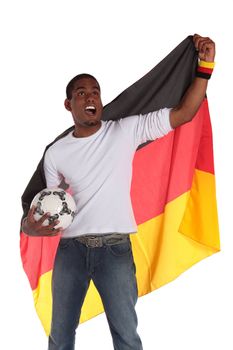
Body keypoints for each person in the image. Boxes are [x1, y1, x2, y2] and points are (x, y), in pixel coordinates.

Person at [22, 34, 215, 350]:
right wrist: (31, 226)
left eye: (95, 92)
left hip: (115, 251)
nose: (90, 97)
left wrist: (205, 66)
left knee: (126, 337)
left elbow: (184, 113)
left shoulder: (126, 130)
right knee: (60, 338)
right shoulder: (56, 153)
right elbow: (49, 205)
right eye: (82, 92)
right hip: (70, 252)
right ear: (69, 104)